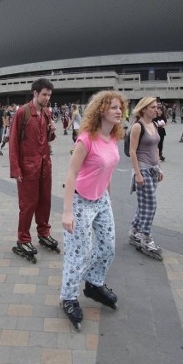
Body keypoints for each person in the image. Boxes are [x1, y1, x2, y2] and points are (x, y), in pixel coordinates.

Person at [60, 90, 125, 329]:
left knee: (108, 246)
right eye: (114, 108)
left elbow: (107, 170)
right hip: (79, 200)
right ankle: (68, 297)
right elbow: (72, 174)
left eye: (121, 108)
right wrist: (67, 211)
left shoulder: (114, 137)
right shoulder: (86, 138)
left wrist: (108, 197)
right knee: (80, 253)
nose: (119, 111)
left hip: (101, 200)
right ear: (101, 110)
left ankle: (94, 284)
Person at [9, 78, 59, 260]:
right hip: (27, 167)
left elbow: (47, 139)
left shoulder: (46, 113)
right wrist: (16, 170)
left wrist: (52, 130)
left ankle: (44, 233)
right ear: (35, 93)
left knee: (45, 202)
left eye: (49, 95)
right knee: (28, 205)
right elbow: (13, 141)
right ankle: (23, 239)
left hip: (45, 166)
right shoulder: (23, 112)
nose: (47, 98)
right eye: (44, 94)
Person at [128, 97, 164, 260]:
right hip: (142, 169)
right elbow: (132, 151)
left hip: (153, 169)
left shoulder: (154, 125)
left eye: (156, 107)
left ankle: (134, 230)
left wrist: (160, 168)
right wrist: (138, 174)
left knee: (144, 204)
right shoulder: (138, 126)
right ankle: (145, 236)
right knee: (151, 205)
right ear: (143, 109)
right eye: (152, 107)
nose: (156, 110)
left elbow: (156, 148)